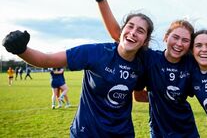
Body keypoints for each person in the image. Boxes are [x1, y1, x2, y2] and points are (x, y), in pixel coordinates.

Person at [2, 9, 154, 137]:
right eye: (130, 26)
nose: (133, 33)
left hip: (122, 133)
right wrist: (21, 50)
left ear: (145, 41)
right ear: (121, 31)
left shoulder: (143, 64)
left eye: (140, 31)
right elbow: (47, 60)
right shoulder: (95, 52)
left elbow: (139, 95)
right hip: (86, 132)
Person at [88, 0, 200, 137]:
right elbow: (118, 35)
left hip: (188, 132)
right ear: (166, 37)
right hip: (159, 132)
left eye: (185, 40)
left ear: (189, 45)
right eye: (175, 37)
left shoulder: (191, 63)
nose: (178, 43)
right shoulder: (150, 58)